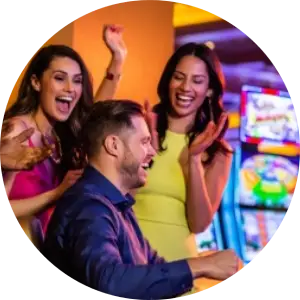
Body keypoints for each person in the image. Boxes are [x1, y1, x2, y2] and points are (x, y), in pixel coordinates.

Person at [41, 100, 239, 298]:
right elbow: (109, 282)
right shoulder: (89, 206)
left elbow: (153, 268)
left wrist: (206, 263)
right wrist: (202, 265)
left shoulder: (119, 206)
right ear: (113, 146)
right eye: (144, 142)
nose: (152, 152)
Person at [1, 24, 127, 247]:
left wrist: (118, 58)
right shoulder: (16, 130)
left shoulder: (59, 135)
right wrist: (56, 193)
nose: (71, 88)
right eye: (60, 78)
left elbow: (97, 112)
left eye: (77, 81)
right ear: (36, 82)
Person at [129, 42, 235, 292]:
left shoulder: (218, 152)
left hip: (175, 264)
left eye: (197, 81)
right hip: (126, 257)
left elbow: (198, 224)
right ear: (168, 80)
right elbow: (116, 196)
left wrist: (194, 159)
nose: (185, 88)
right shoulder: (140, 128)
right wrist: (144, 151)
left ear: (209, 90)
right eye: (179, 77)